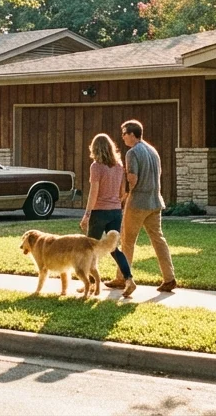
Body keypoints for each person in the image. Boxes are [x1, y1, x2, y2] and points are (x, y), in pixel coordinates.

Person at [111, 119, 177, 292]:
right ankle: (169, 278)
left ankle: (122, 277)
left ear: (132, 134)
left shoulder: (132, 153)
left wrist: (125, 195)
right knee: (158, 239)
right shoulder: (153, 151)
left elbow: (133, 178)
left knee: (127, 241)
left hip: (138, 203)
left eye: (124, 134)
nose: (122, 137)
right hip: (155, 201)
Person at [79, 133, 136, 298]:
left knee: (89, 248)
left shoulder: (96, 167)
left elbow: (93, 193)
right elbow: (122, 192)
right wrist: (115, 204)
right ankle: (129, 279)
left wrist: (87, 214)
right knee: (114, 248)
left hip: (99, 212)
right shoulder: (118, 166)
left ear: (95, 149)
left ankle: (88, 285)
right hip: (116, 212)